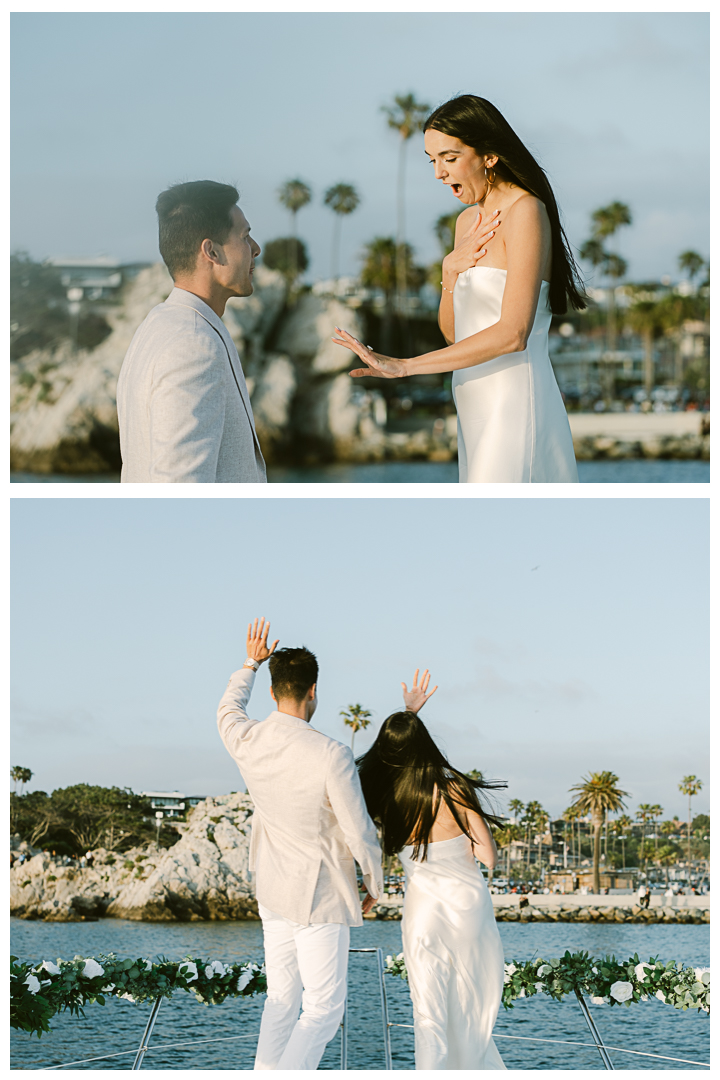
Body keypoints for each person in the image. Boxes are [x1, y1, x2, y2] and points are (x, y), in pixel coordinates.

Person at [333, 95, 584, 484]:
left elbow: (514, 333)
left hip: (513, 401)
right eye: (432, 160)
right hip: (471, 401)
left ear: (488, 155)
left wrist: (405, 366)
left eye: (449, 158)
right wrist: (449, 275)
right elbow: (453, 334)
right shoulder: (467, 223)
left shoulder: (526, 212)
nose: (438, 172)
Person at [217, 618, 383, 1071]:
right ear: (313, 690)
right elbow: (359, 829)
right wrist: (374, 883)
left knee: (282, 999)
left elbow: (227, 709)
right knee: (323, 1009)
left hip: (272, 890)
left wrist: (250, 662)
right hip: (320, 894)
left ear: (272, 692)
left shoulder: (247, 739)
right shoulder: (331, 753)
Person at [357, 671, 507, 1070]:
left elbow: (390, 761)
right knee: (470, 1003)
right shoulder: (455, 789)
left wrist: (406, 715)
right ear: (426, 744)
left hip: (424, 914)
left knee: (428, 1013)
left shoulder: (385, 796)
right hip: (468, 910)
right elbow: (488, 858)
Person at [117, 181, 267, 483]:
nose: (256, 249)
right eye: (245, 236)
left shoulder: (157, 326)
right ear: (211, 251)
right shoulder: (193, 345)